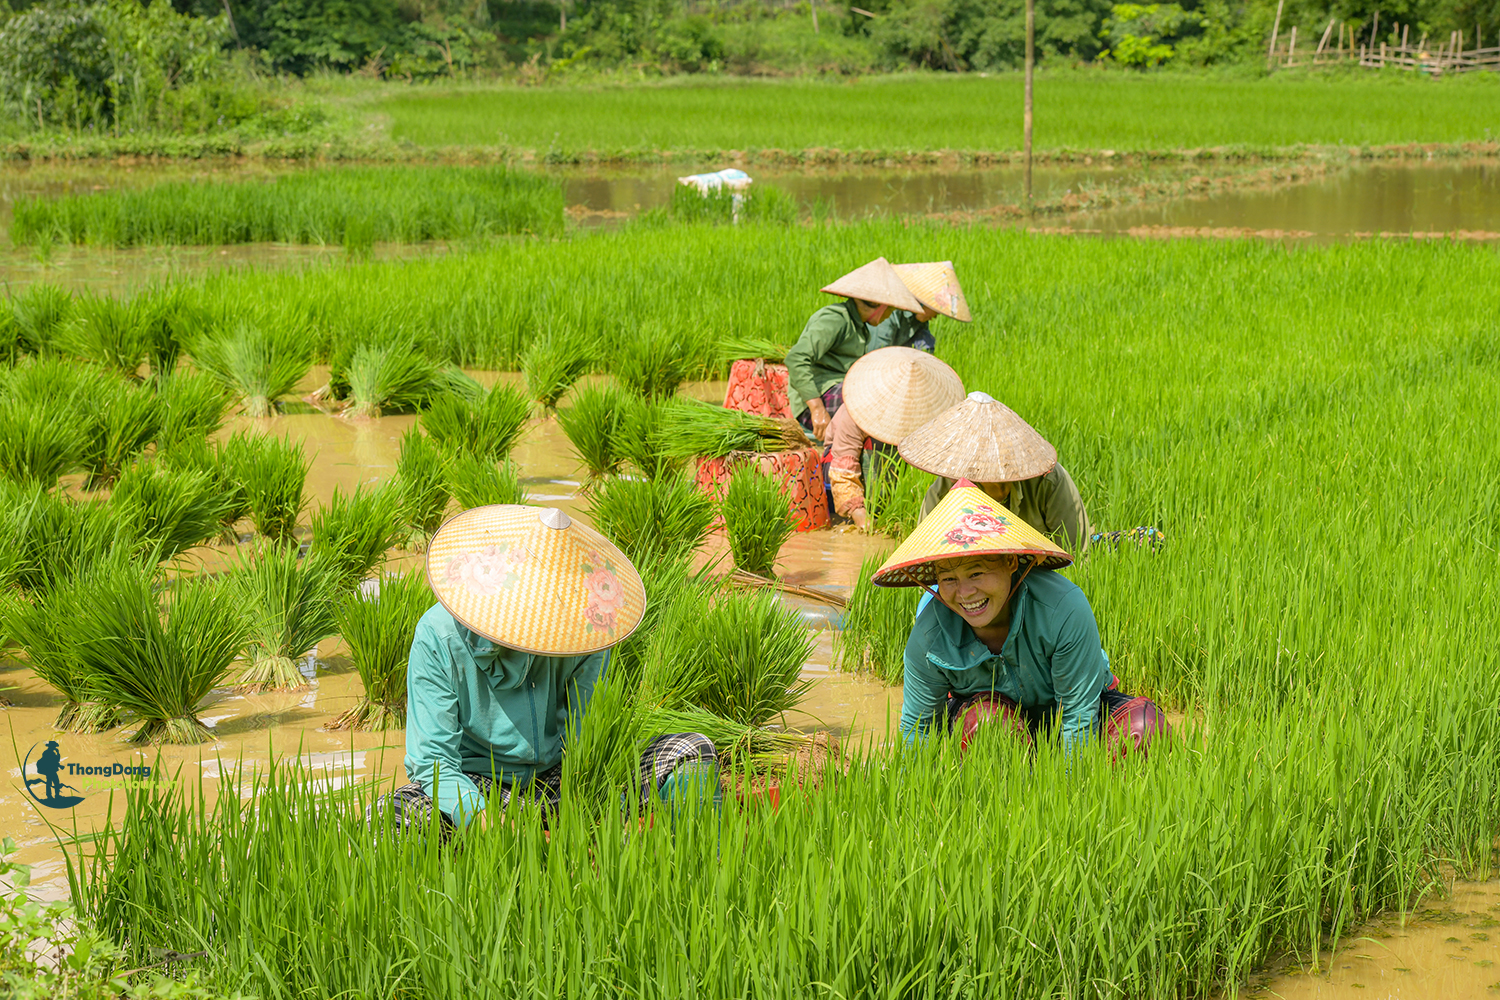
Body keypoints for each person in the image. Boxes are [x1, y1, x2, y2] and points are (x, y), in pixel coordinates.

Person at [375, 504, 718, 841]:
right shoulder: (439, 635)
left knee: (690, 749)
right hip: (480, 784)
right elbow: (435, 762)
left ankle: (696, 865)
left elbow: (582, 740)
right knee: (391, 815)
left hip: (560, 778)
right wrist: (484, 820)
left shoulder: (585, 629)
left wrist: (586, 807)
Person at [873, 481, 1169, 756]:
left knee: (1144, 729)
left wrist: (1065, 799)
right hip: (987, 719)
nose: (964, 593)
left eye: (976, 573)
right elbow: (919, 732)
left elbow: (1078, 716)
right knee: (988, 726)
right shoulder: (928, 639)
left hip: (1073, 712)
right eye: (948, 579)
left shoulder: (1062, 609)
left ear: (1010, 562)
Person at [902, 391, 1091, 554]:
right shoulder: (942, 494)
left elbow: (1076, 554)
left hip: (1037, 574)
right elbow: (923, 558)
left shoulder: (1048, 481)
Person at [785, 257, 924, 442]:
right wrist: (816, 408)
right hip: (818, 396)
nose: (889, 316)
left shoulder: (859, 326)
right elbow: (796, 358)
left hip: (840, 389)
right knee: (870, 408)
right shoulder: (835, 319)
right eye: (890, 310)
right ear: (879, 306)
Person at [828, 346, 965, 531]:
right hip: (842, 465)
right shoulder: (857, 412)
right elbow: (842, 469)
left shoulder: (928, 415)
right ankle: (870, 507)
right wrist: (859, 513)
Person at [865, 260, 972, 354]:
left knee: (925, 342)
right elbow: (876, 356)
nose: (935, 317)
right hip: (867, 359)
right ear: (925, 302)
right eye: (936, 311)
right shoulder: (888, 314)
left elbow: (925, 348)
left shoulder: (919, 318)